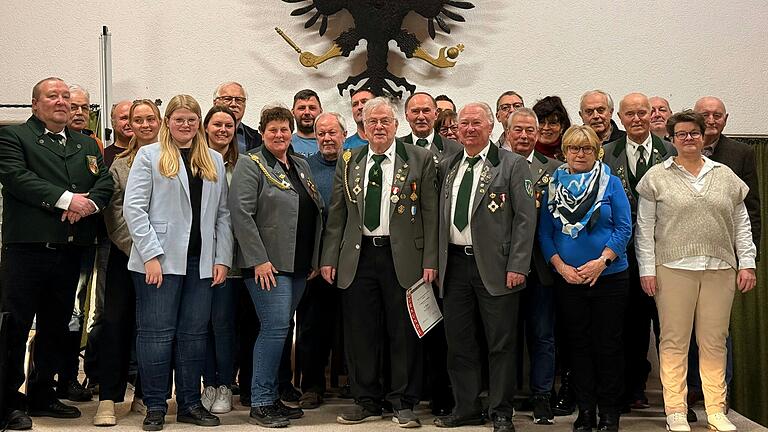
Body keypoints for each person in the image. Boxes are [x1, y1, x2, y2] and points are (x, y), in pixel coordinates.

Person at [0, 77, 113, 430]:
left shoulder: (85, 144)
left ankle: (42, 392)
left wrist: (89, 203)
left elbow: (105, 181)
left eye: (66, 97)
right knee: (14, 327)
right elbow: (16, 177)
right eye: (53, 96)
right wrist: (67, 199)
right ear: (35, 104)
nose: (62, 102)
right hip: (27, 250)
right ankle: (6, 402)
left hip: (70, 249)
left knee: (55, 326)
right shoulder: (13, 137)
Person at [634, 110, 757, 432]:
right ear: (671, 140)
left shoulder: (726, 176)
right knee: (674, 341)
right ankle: (675, 408)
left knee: (714, 340)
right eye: (681, 134)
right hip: (672, 269)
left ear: (704, 137)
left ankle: (716, 409)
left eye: (694, 133)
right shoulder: (656, 177)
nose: (688, 138)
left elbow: (742, 226)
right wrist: (647, 270)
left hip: (720, 269)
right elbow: (645, 228)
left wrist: (747, 263)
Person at [320, 97, 438, 428]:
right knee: (361, 331)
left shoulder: (419, 158)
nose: (379, 127)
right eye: (373, 122)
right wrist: (329, 257)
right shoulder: (350, 159)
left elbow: (430, 212)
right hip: (358, 256)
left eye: (386, 121)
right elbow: (338, 213)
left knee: (403, 331)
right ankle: (366, 399)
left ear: (396, 126)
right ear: (363, 128)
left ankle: (403, 401)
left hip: (403, 256)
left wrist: (431, 259)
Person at [123, 94, 233, 431]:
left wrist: (222, 259)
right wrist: (151, 256)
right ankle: (155, 404)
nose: (185, 125)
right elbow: (134, 209)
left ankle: (189, 403)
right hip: (159, 263)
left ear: (198, 122)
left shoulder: (213, 160)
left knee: (194, 336)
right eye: (178, 119)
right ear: (168, 122)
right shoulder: (149, 156)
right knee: (157, 336)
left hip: (202, 263)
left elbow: (223, 215)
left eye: (191, 119)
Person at [433, 103, 536, 432]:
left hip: (498, 267)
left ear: (492, 127)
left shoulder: (512, 165)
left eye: (476, 123)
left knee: (500, 343)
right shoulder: (448, 165)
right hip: (455, 265)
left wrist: (518, 264)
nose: (469, 129)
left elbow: (525, 220)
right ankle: (466, 407)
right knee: (459, 341)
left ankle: (501, 412)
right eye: (464, 124)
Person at [229, 105, 323, 427]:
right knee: (274, 328)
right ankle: (261, 401)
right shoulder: (250, 163)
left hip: (298, 264)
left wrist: (313, 259)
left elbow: (313, 209)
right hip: (268, 266)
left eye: (285, 129)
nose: (279, 135)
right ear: (263, 132)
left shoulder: (299, 164)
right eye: (273, 130)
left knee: (281, 330)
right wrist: (258, 259)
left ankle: (272, 397)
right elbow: (241, 214)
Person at [538, 125, 632, 432]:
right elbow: (545, 233)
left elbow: (623, 228)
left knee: (608, 346)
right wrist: (561, 267)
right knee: (577, 347)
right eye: (574, 149)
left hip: (609, 278)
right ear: (565, 152)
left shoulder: (612, 183)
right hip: (569, 280)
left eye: (587, 149)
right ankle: (586, 411)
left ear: (597, 151)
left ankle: (609, 413)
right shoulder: (554, 184)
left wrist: (601, 262)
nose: (580, 154)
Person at [602, 92, 675, 413]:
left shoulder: (670, 152)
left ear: (651, 115)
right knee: (626, 326)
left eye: (642, 113)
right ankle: (628, 390)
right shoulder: (606, 155)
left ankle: (676, 397)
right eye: (629, 114)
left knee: (667, 327)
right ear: (620, 117)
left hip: (663, 254)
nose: (636, 119)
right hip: (620, 256)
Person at [93, 98, 161, 427]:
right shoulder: (119, 164)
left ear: (160, 122)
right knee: (116, 325)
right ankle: (108, 398)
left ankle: (146, 396)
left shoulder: (172, 160)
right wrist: (142, 249)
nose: (145, 124)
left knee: (153, 328)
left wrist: (159, 252)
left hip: (163, 260)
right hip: (126, 256)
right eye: (139, 120)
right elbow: (116, 214)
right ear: (129, 125)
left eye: (151, 119)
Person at [505, 107, 561, 425]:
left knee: (542, 335)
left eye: (530, 130)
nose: (524, 136)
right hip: (501, 266)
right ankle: (506, 396)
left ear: (537, 135)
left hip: (542, 266)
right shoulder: (494, 166)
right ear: (507, 133)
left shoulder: (554, 170)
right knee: (506, 336)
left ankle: (542, 396)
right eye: (518, 130)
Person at [295, 112, 345, 409]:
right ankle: (311, 386)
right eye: (321, 133)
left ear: (343, 134)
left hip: (351, 261)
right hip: (315, 264)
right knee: (312, 327)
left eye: (332, 133)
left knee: (355, 326)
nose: (327, 138)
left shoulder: (356, 166)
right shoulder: (304, 168)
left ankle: (357, 383)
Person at [199, 106, 241, 415]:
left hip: (234, 260)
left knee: (224, 325)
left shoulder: (244, 164)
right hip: (199, 256)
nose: (223, 130)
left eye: (229, 125)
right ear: (206, 127)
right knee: (201, 325)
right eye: (217, 124)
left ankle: (225, 384)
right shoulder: (195, 162)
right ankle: (208, 385)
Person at [400, 92, 462, 160]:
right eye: (415, 111)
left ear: (436, 114)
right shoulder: (396, 147)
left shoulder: (456, 149)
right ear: (406, 116)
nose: (421, 117)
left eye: (426, 111)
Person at [213, 81, 262, 153]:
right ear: (215, 103)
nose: (233, 104)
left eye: (239, 100)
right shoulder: (200, 134)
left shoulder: (256, 139)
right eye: (227, 99)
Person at [531, 96, 571, 160]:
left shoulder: (571, 153)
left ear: (562, 126)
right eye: (541, 122)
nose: (546, 128)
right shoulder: (525, 151)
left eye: (552, 123)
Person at [291, 89, 323, 156]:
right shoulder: (285, 144)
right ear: (292, 112)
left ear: (321, 111)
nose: (307, 112)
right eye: (301, 108)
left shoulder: (332, 143)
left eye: (312, 108)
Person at [104, 100, 134, 167]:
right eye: (124, 118)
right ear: (113, 123)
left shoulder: (145, 152)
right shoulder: (104, 156)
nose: (129, 123)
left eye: (133, 118)